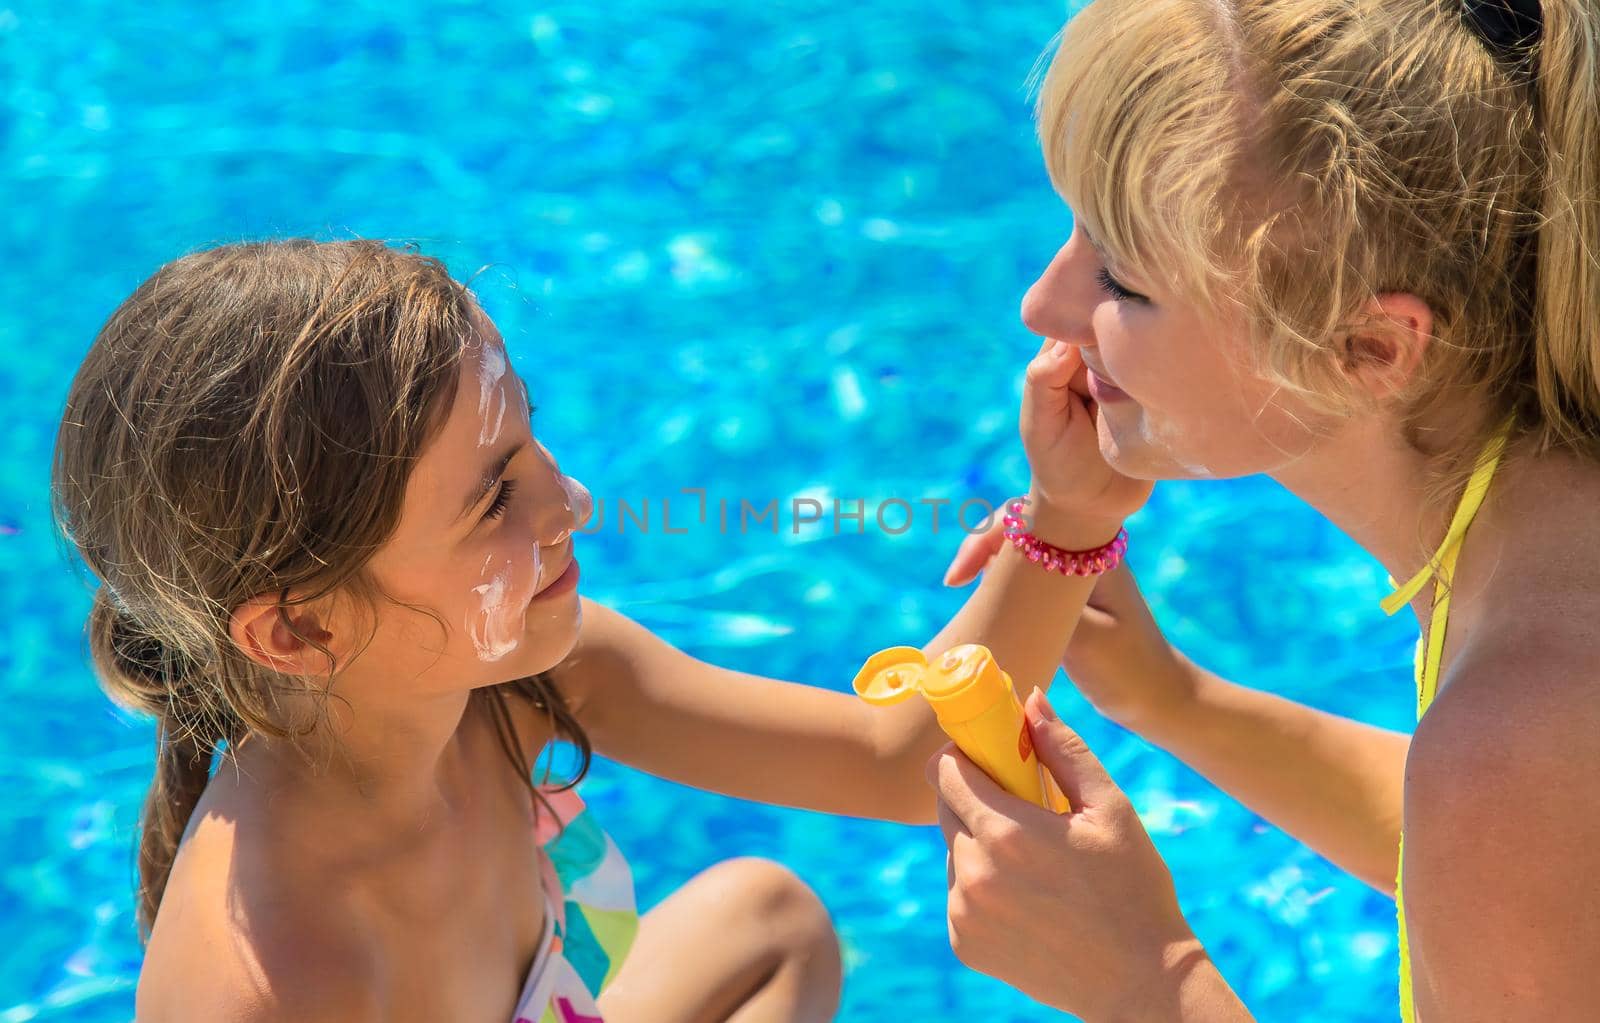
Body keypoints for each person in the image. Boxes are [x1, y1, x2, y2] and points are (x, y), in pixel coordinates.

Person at [52, 238, 1143, 1022]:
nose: (570, 501)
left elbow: (897, 762)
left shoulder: (524, 685)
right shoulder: (276, 982)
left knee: (771, 922)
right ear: (294, 631)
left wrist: (1071, 515)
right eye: (492, 497)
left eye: (530, 445)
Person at [931, 0, 1600, 1019]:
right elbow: (1523, 882)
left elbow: (1500, 827)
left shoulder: (1521, 724)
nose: (1045, 305)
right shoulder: (1541, 518)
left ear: (1370, 351)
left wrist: (1146, 980)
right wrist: (1169, 699)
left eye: (1120, 276)